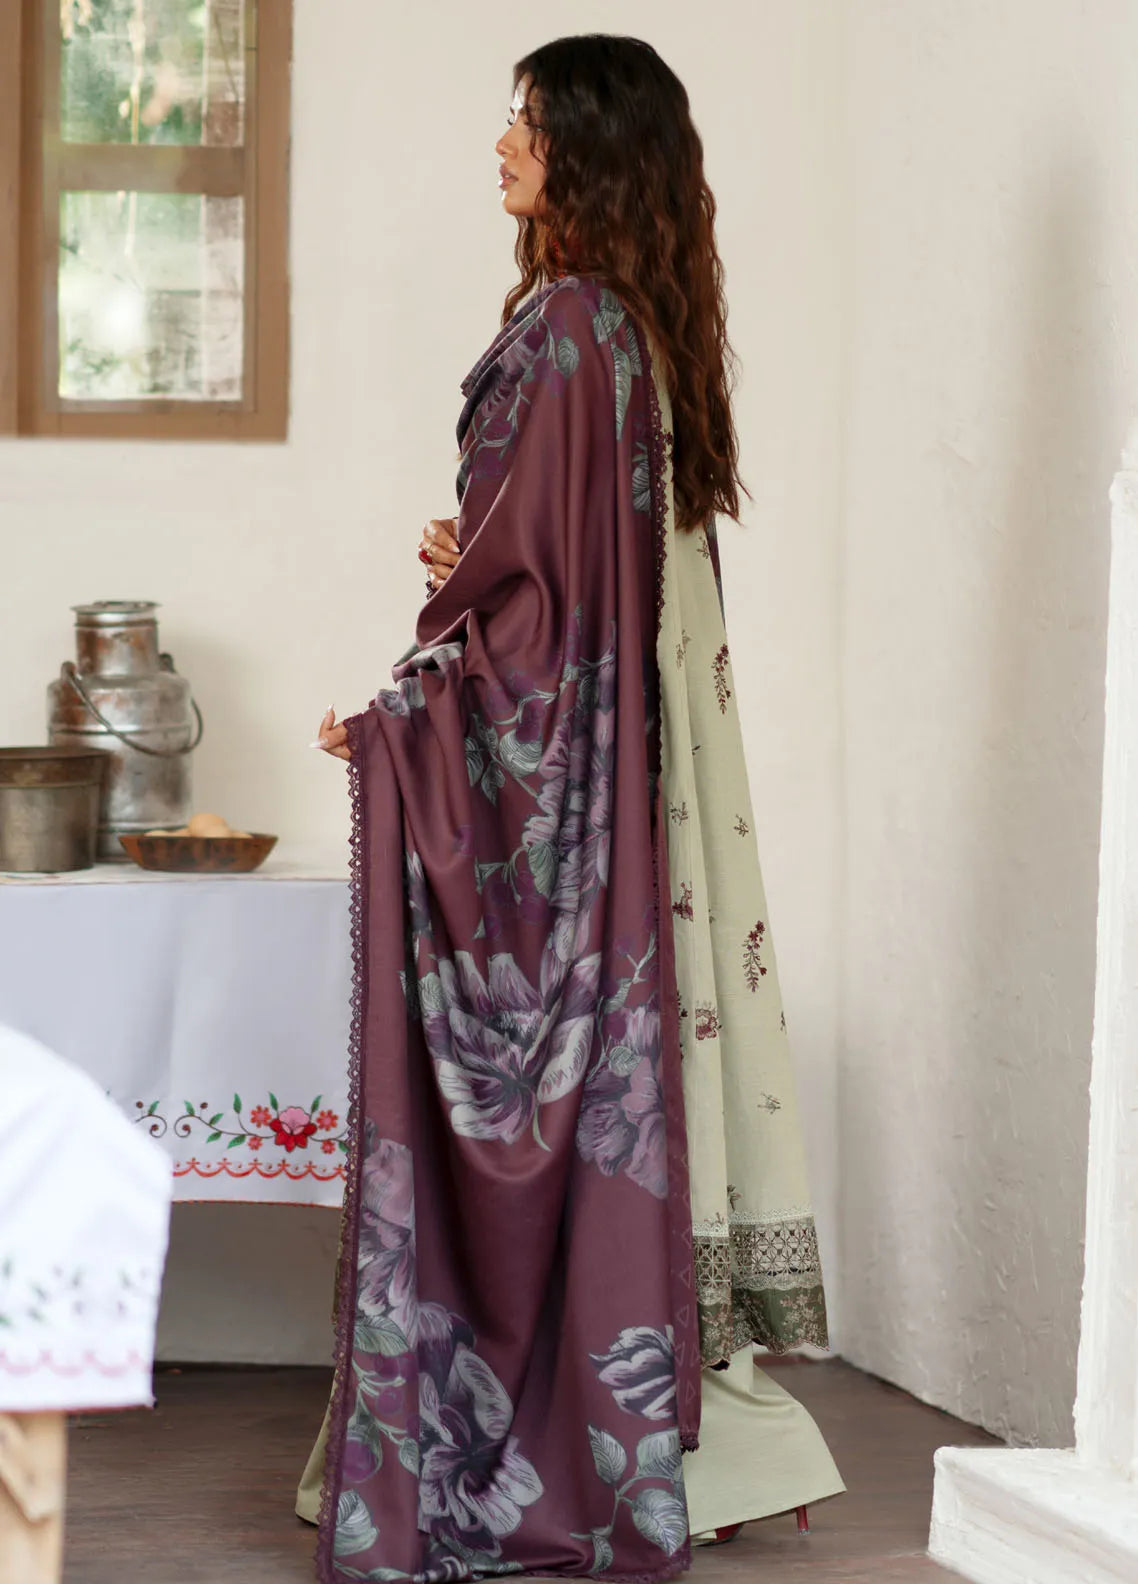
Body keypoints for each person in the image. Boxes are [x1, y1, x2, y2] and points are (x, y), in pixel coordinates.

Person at [306, 35, 842, 1582]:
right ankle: (655, 1443)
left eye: (526, 126)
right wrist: (474, 561)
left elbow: (539, 639)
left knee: (511, 1100)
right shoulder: (634, 336)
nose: (501, 147)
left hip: (571, 801)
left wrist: (401, 724)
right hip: (638, 801)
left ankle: (490, 1466)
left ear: (583, 157)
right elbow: (572, 583)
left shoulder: (561, 334)